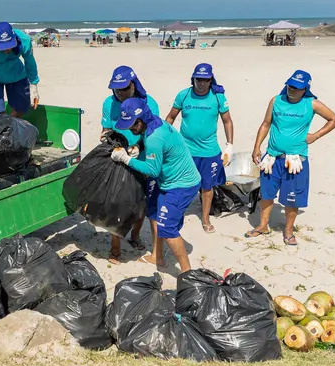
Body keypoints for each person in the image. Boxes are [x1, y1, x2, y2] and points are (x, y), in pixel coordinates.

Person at [248, 70, 335, 245]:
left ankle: (288, 230)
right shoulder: (276, 101)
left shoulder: (311, 104)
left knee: (292, 197)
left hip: (296, 160)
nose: (292, 90)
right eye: (290, 86)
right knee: (267, 193)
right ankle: (262, 225)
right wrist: (257, 148)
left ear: (305, 88)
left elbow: (334, 119)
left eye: (297, 88)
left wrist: (316, 135)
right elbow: (266, 124)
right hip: (272, 158)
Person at [111, 98, 201, 273]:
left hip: (182, 185)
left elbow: (152, 171)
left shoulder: (155, 137)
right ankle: (157, 256)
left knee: (167, 228)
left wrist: (126, 158)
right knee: (152, 212)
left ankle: (187, 273)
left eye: (131, 124)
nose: (130, 128)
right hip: (165, 180)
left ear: (142, 119)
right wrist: (139, 146)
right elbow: (151, 149)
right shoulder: (154, 122)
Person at [164, 63, 234, 233]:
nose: (201, 83)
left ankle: (205, 219)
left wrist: (229, 145)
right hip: (185, 150)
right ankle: (178, 214)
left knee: (207, 187)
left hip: (209, 151)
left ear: (211, 80)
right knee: (180, 184)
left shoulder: (218, 97)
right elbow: (171, 117)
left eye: (205, 80)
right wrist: (165, 139)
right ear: (193, 79)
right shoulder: (184, 95)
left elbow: (227, 121)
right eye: (198, 79)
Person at [99, 66, 158, 263]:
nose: (121, 93)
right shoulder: (109, 103)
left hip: (141, 159)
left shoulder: (150, 104)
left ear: (134, 84)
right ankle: (115, 249)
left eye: (125, 88)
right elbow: (107, 128)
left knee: (141, 205)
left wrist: (138, 148)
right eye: (117, 90)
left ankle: (135, 236)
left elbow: (154, 133)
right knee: (117, 206)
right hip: (118, 158)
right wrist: (105, 137)